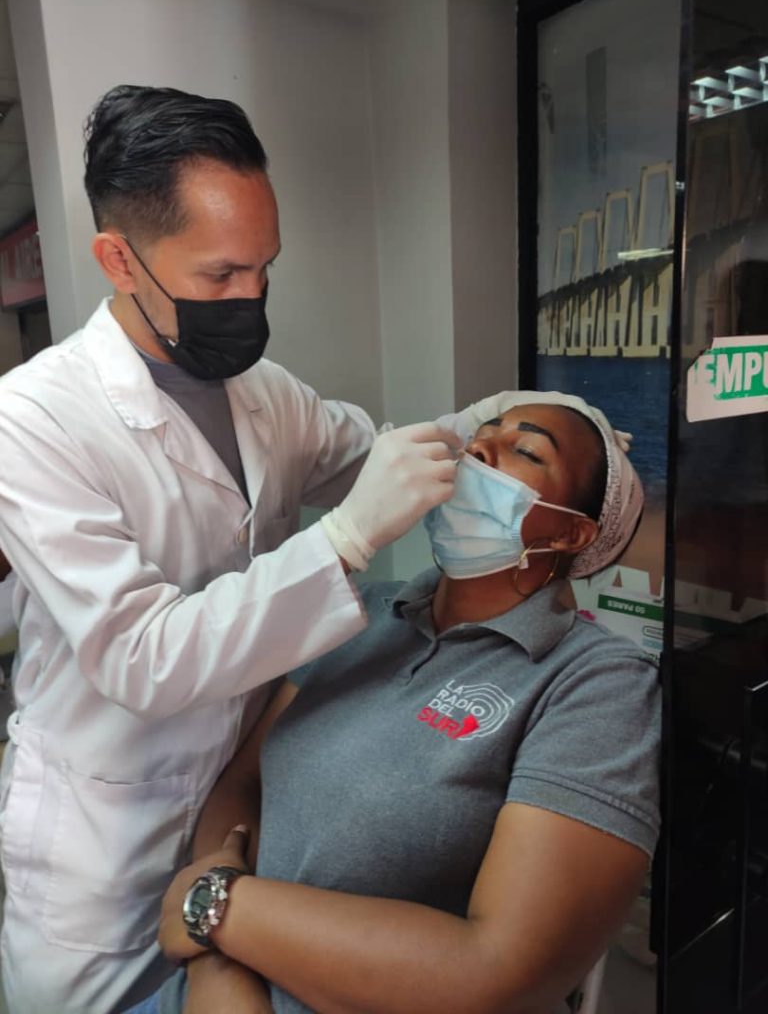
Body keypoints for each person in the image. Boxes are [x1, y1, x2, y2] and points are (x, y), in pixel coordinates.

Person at [0, 85, 512, 1014]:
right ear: (119, 259)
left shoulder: (265, 393)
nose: (251, 297)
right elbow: (141, 655)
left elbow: (375, 457)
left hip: (234, 824)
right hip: (106, 844)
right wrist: (346, 538)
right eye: (221, 275)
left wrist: (490, 427)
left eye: (265, 268)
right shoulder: (32, 420)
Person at [134, 392, 659, 1014]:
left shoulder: (597, 683)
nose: (479, 448)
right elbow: (243, 784)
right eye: (484, 432)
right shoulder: (365, 610)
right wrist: (219, 976)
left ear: (571, 531)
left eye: (524, 451)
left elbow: (496, 972)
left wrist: (216, 909)